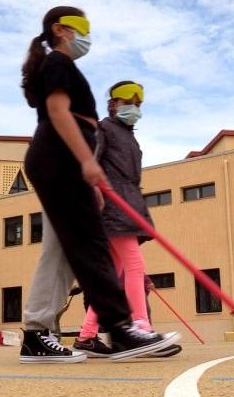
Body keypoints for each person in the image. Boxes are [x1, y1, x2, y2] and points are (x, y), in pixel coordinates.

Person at [19, 6, 179, 364]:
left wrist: (87, 173)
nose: (87, 35)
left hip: (59, 163)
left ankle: (37, 334)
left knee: (62, 251)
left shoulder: (62, 65)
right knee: (91, 247)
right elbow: (59, 113)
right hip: (59, 160)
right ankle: (120, 329)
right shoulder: (58, 63)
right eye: (81, 28)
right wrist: (88, 162)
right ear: (60, 30)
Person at [71, 81, 181, 358]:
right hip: (113, 208)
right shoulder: (104, 128)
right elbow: (90, 163)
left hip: (129, 207)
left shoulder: (130, 136)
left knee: (111, 278)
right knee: (134, 266)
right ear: (113, 103)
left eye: (138, 103)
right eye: (127, 102)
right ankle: (141, 326)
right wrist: (94, 190)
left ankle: (86, 336)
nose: (133, 108)